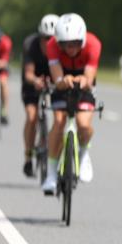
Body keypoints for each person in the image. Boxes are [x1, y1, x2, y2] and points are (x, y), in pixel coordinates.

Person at [41, 13, 101, 194]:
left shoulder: (93, 44)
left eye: (75, 44)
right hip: (62, 84)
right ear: (58, 42)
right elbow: (56, 77)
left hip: (84, 85)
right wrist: (62, 80)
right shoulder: (52, 45)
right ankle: (51, 174)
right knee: (59, 123)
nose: (71, 49)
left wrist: (83, 80)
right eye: (66, 45)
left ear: (82, 40)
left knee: (84, 125)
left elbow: (89, 77)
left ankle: (83, 155)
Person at [21, 14, 59, 177]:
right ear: (40, 37)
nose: (48, 42)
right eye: (45, 38)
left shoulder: (62, 47)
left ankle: (49, 147)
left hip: (54, 81)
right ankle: (28, 156)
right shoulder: (31, 45)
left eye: (52, 39)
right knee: (32, 116)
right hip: (33, 83)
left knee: (59, 116)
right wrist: (36, 80)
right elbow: (28, 73)